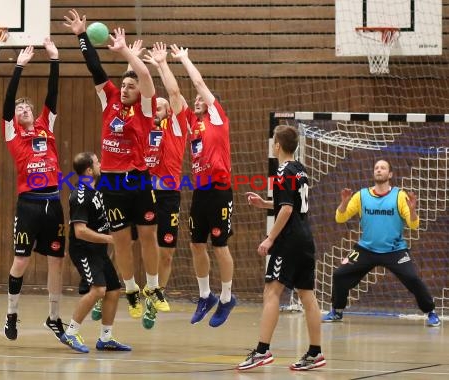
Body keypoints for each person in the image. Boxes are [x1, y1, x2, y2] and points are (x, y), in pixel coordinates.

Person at [63, 9, 170, 320]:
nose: (124, 89)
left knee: (148, 236)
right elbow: (94, 67)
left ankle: (152, 287)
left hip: (137, 179)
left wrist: (125, 51)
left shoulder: (146, 109)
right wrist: (82, 35)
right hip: (110, 182)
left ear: (140, 94)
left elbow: (146, 77)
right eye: (123, 85)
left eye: (130, 87)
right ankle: (131, 289)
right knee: (122, 241)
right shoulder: (108, 99)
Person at [237, 125, 325, 371]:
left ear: (277, 145)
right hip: (305, 238)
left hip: (288, 240)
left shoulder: (283, 170)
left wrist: (270, 239)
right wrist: (264, 203)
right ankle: (315, 352)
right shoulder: (300, 170)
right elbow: (290, 204)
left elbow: (286, 209)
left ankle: (262, 351)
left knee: (271, 293)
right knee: (307, 295)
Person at [1, 39, 68, 342]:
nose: (24, 109)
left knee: (56, 261)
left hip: (53, 203)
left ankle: (54, 318)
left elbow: (52, 96)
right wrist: (19, 67)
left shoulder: (45, 126)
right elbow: (7, 103)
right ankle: (11, 314)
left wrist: (54, 60)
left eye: (27, 107)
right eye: (20, 109)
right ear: (15, 118)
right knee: (21, 261)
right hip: (28, 205)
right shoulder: (13, 133)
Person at [322, 159, 441, 327]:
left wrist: (413, 211)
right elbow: (340, 218)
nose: (379, 170)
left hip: (394, 250)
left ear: (390, 174)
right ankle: (337, 311)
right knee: (340, 275)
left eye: (383, 168)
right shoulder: (361, 195)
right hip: (366, 249)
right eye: (376, 168)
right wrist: (343, 202)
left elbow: (414, 224)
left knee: (412, 277)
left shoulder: (400, 196)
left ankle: (431, 312)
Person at [170, 44, 236, 327]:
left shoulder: (217, 118)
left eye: (201, 99)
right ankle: (205, 295)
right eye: (195, 99)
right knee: (197, 244)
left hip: (220, 189)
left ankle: (227, 297)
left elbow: (197, 82)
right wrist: (162, 63)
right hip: (201, 190)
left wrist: (184, 58)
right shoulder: (192, 125)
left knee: (219, 246)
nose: (196, 100)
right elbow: (175, 94)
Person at [60, 152, 132, 353]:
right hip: (84, 250)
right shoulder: (80, 195)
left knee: (113, 290)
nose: (101, 164)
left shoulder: (97, 190)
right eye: (97, 162)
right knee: (98, 290)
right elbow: (80, 232)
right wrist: (110, 239)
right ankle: (71, 333)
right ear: (89, 170)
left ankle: (106, 338)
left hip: (98, 251)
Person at [140, 42, 189, 328]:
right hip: (141, 191)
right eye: (154, 106)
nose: (157, 109)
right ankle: (106, 292)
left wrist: (161, 64)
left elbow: (174, 93)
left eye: (161, 107)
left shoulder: (177, 127)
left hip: (168, 193)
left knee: (166, 251)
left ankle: (154, 297)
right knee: (121, 240)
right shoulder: (143, 127)